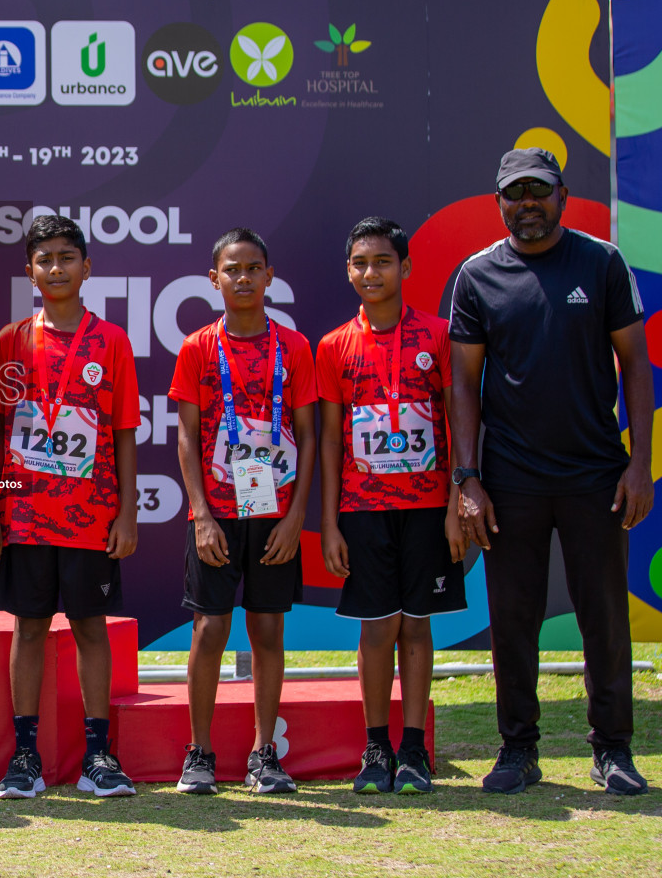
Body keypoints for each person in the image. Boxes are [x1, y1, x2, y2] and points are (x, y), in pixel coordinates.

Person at [450, 147, 654, 796]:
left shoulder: (601, 263)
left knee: (604, 617)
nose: (527, 203)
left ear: (562, 195)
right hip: (510, 481)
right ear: (499, 203)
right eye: (515, 193)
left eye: (539, 190)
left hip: (597, 474)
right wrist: (467, 478)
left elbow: (637, 370)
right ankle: (518, 750)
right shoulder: (477, 276)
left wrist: (641, 465)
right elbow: (463, 383)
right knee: (512, 620)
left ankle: (613, 750)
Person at [0, 214, 140, 799]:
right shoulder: (10, 340)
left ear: (87, 267)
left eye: (66, 257)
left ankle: (98, 756)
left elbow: (125, 431)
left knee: (89, 628)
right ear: (29, 270)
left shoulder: (112, 341)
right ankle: (24, 756)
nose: (56, 268)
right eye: (44, 258)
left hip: (92, 517)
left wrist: (127, 512)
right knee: (28, 629)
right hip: (25, 516)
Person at [317, 218, 464, 795]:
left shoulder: (438, 335)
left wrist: (456, 503)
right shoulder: (334, 345)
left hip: (428, 507)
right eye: (360, 263)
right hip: (362, 510)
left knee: (416, 627)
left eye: (382, 261)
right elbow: (330, 440)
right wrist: (329, 522)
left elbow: (456, 423)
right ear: (348, 270)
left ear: (404, 268)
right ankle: (375, 747)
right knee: (377, 629)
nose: (370, 272)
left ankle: (414, 749)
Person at [170, 227, 316, 795]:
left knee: (268, 630)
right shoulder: (198, 347)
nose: (244, 278)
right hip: (218, 515)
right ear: (215, 279)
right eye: (232, 269)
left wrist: (294, 517)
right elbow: (186, 437)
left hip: (275, 513)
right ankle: (199, 753)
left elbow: (308, 435)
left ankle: (263, 756)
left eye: (253, 268)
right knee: (209, 628)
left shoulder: (294, 347)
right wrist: (201, 515)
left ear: (269, 275)